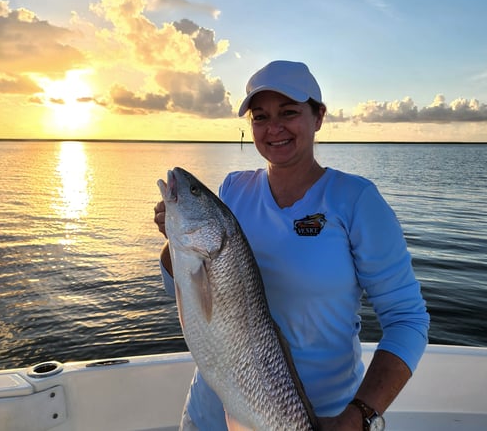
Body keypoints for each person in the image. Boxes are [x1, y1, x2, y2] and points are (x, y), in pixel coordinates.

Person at [154, 60, 430, 431]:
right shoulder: (234, 189)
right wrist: (176, 241)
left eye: (288, 112)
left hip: (316, 418)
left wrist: (359, 416)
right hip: (208, 415)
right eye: (260, 117)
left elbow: (408, 319)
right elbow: (188, 292)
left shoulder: (355, 200)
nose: (274, 128)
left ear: (318, 117)